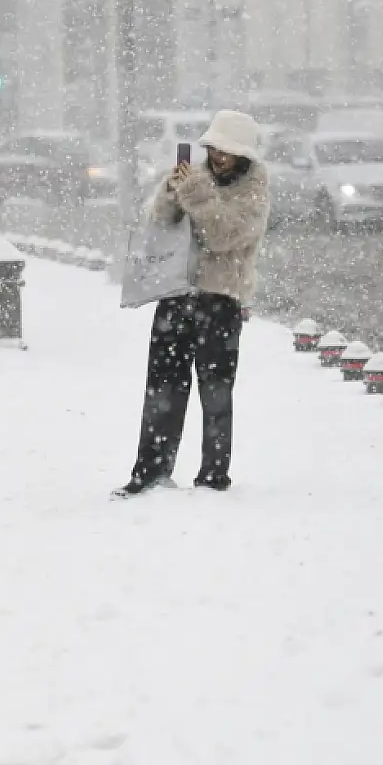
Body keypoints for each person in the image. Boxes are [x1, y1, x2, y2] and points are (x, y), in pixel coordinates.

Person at [114, 109, 271, 497]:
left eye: (226, 152)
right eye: (214, 149)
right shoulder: (195, 177)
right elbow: (159, 222)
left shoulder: (254, 193)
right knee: (162, 388)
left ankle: (213, 476)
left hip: (220, 300)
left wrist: (196, 192)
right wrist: (171, 193)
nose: (218, 157)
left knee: (215, 393)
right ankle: (150, 471)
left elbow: (223, 235)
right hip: (176, 293)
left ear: (244, 156)